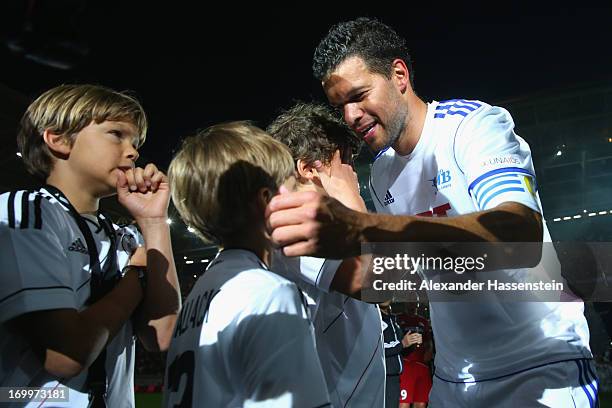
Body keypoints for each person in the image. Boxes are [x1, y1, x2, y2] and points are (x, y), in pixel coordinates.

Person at [266, 17, 597, 407]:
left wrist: (363, 225)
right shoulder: (382, 175)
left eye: (359, 95)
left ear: (399, 75)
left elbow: (519, 231)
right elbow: (398, 278)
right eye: (340, 105)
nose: (351, 116)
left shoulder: (472, 127)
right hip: (454, 377)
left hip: (537, 364)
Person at [0, 84, 181, 407]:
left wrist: (154, 224)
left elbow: (162, 335)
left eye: (136, 142)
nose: (133, 151)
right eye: (116, 134)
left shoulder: (127, 236)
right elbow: (66, 355)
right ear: (57, 139)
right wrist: (137, 278)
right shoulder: (27, 213)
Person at [163, 122, 330, 407]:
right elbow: (385, 285)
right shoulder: (269, 292)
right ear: (267, 201)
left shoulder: (201, 291)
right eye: (291, 185)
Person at [267, 102, 385, 407]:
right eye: (343, 161)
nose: (351, 172)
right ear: (308, 169)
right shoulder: (293, 221)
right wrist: (352, 197)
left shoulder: (323, 222)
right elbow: (385, 284)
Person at [380, 301, 423, 408]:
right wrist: (403, 343)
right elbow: (377, 348)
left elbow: (399, 350)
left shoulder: (393, 319)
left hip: (395, 377)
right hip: (382, 377)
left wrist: (411, 344)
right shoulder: (373, 318)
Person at [396, 303, 432, 408]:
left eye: (414, 302)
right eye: (409, 302)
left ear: (417, 304)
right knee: (403, 403)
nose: (411, 306)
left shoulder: (423, 321)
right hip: (406, 365)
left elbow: (428, 341)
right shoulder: (398, 318)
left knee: (421, 403)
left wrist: (429, 349)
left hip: (421, 365)